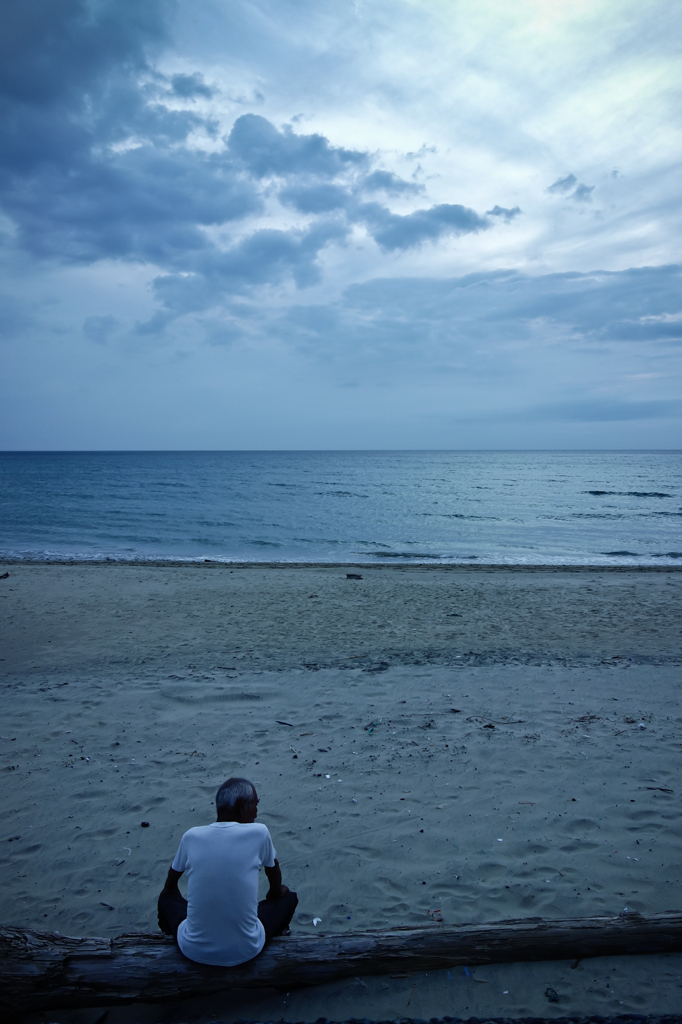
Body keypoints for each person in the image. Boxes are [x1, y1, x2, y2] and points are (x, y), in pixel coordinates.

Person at [157, 777, 298, 966]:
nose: (256, 812)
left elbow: (170, 886)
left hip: (192, 950)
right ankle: (280, 932)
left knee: (167, 899)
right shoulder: (259, 832)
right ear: (243, 806)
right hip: (247, 949)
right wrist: (275, 893)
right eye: (255, 804)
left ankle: (170, 938)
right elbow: (274, 876)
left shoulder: (191, 836)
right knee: (288, 898)